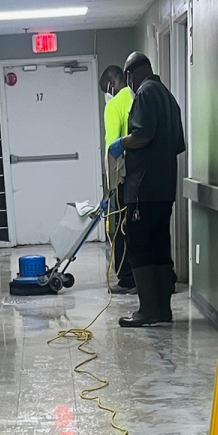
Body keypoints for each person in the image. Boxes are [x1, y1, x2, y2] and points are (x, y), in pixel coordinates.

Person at [106, 51, 185, 327]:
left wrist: (122, 143)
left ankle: (147, 310)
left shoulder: (144, 94)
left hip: (143, 190)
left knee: (139, 247)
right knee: (160, 247)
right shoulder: (169, 98)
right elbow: (177, 144)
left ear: (130, 75)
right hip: (164, 189)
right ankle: (163, 309)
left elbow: (142, 135)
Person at [100, 65, 136, 295]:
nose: (106, 94)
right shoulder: (136, 96)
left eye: (105, 89)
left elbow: (112, 147)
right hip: (141, 176)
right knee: (137, 227)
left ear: (111, 84)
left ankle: (126, 278)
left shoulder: (114, 105)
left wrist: (110, 184)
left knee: (121, 228)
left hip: (123, 177)